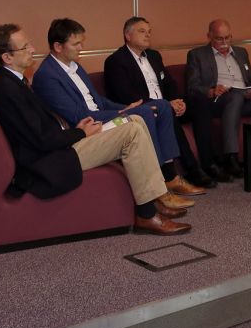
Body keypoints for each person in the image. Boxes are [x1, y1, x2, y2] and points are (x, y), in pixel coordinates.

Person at [0, 23, 190, 235]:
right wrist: (81, 132)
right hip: (51, 159)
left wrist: (81, 130)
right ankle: (147, 214)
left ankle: (154, 200)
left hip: (59, 146)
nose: (33, 49)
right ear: (7, 57)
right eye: (25, 47)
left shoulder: (13, 81)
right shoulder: (8, 89)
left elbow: (43, 130)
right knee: (132, 130)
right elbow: (42, 139)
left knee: (136, 121)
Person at [32, 17, 204, 200]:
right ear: (58, 46)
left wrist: (126, 107)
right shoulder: (47, 76)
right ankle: (161, 183)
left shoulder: (75, 66)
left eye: (81, 42)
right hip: (89, 127)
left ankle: (170, 176)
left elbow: (99, 101)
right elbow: (79, 115)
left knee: (162, 105)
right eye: (76, 44)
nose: (81, 47)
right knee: (145, 112)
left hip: (100, 116)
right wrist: (122, 113)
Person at [104, 16, 226, 188]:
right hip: (145, 110)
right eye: (142, 31)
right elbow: (126, 96)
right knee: (166, 112)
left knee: (200, 102)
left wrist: (176, 100)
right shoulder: (116, 61)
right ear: (128, 35)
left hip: (166, 104)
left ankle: (208, 162)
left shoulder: (154, 56)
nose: (147, 35)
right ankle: (192, 170)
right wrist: (168, 105)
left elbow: (169, 83)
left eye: (149, 32)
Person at [184, 19, 251, 176]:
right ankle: (231, 157)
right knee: (235, 97)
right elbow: (192, 86)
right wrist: (211, 90)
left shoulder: (241, 52)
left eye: (227, 38)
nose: (224, 42)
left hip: (243, 98)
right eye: (219, 38)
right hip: (219, 101)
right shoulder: (197, 55)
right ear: (209, 36)